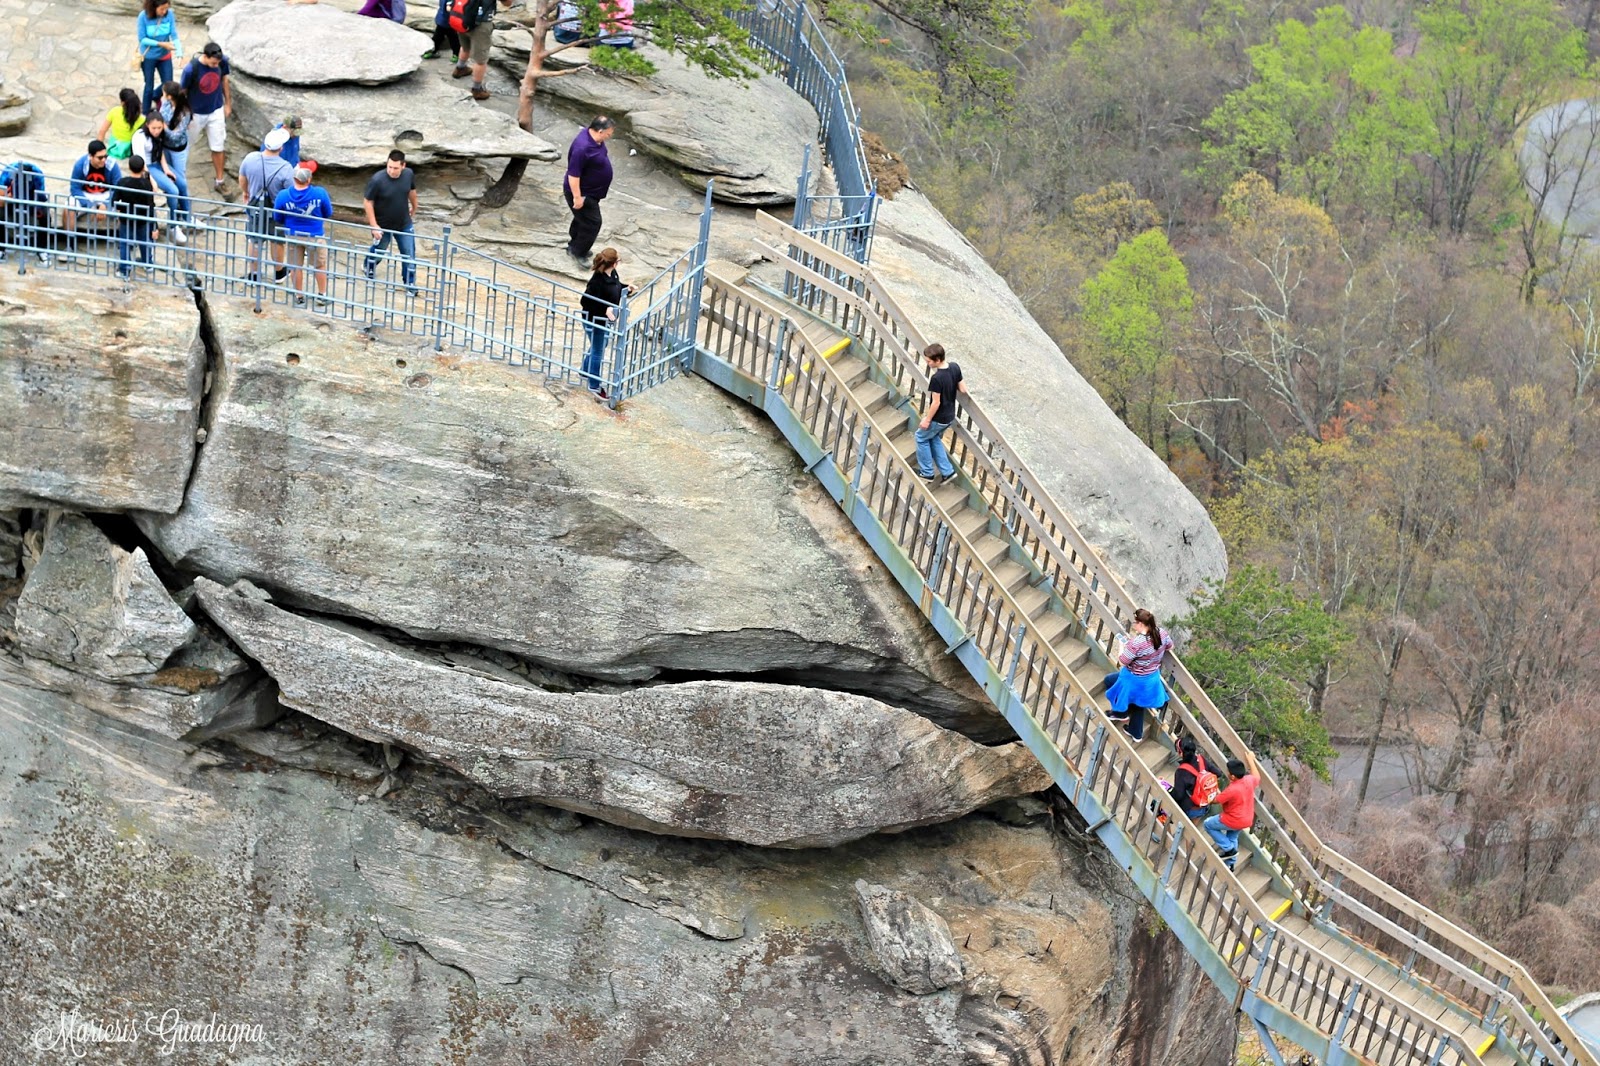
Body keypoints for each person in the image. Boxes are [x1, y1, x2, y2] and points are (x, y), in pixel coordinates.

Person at [1103, 607, 1172, 742]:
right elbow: (1170, 646)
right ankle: (1136, 732)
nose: (1134, 625)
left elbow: (1123, 661)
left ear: (1141, 624)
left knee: (1109, 681)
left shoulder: (1137, 643)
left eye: (1135, 623)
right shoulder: (1162, 633)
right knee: (1138, 703)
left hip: (1134, 679)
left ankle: (1120, 712)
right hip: (1151, 678)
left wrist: (1122, 645)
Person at [238, 128, 295, 283]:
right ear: (281, 148)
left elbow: (242, 179)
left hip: (255, 206)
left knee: (254, 240)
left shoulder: (250, 159)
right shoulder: (286, 168)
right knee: (277, 240)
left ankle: (254, 274)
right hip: (276, 210)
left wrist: (246, 192)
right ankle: (279, 272)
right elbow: (290, 193)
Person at [578, 246, 635, 401]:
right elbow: (585, 301)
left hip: (602, 320)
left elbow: (615, 287)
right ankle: (594, 385)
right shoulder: (597, 281)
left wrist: (626, 289)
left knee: (600, 346)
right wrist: (606, 310)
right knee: (598, 350)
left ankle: (585, 370)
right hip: (594, 320)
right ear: (614, 263)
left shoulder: (612, 274)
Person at [274, 167, 333, 308]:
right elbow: (328, 212)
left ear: (294, 179)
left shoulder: (283, 195)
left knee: (295, 266)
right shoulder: (320, 193)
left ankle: (299, 296)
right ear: (309, 180)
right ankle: (322, 295)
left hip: (293, 235)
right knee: (319, 265)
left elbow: (277, 217)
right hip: (315, 235)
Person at [362, 149, 418, 293]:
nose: (392, 171)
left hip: (403, 223)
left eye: (395, 168)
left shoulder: (408, 174)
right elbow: (368, 202)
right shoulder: (377, 180)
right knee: (380, 249)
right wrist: (374, 225)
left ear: (403, 166)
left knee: (409, 253)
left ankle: (410, 283)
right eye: (389, 167)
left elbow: (412, 191)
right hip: (383, 225)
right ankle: (368, 265)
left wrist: (415, 207)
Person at [180, 42, 232, 192]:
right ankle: (179, 177)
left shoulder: (222, 62)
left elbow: (224, 81)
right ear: (205, 56)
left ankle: (219, 180)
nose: (216, 65)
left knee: (218, 146)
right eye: (213, 63)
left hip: (215, 110)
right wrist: (184, 114)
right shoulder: (191, 70)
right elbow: (182, 92)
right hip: (195, 113)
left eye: (218, 63)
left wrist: (227, 103)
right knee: (185, 145)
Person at [564, 116, 614, 262]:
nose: (609, 137)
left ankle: (573, 245)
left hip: (591, 191)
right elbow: (573, 175)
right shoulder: (582, 148)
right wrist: (577, 197)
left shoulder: (594, 139)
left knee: (582, 218)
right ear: (599, 131)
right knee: (592, 223)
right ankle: (578, 252)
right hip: (583, 193)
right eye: (608, 134)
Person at [915, 342, 966, 484]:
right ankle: (947, 472)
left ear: (937, 360)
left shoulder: (937, 379)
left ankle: (927, 473)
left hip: (938, 417)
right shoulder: (955, 367)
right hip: (949, 415)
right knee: (934, 438)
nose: (928, 363)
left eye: (929, 361)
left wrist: (927, 419)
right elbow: (963, 390)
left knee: (920, 437)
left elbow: (936, 402)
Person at [1204, 753, 1261, 870]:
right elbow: (1256, 775)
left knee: (1208, 824)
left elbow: (1215, 800)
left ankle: (1229, 849)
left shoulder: (1232, 789)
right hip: (1246, 819)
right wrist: (1251, 760)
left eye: (1229, 772)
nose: (1227, 772)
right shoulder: (1249, 780)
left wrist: (1208, 793)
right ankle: (1231, 863)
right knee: (1232, 836)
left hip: (1233, 819)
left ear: (1233, 776)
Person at [130, 111, 179, 243]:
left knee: (182, 183)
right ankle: (173, 225)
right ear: (147, 125)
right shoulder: (140, 137)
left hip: (157, 163)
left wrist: (166, 169)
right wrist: (151, 179)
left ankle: (185, 215)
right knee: (173, 190)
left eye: (159, 128)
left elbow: (160, 150)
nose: (157, 131)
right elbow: (141, 161)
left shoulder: (160, 134)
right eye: (154, 128)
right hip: (148, 166)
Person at [65, 140, 123, 249]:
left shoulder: (112, 165)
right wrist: (89, 205)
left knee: (123, 207)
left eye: (105, 156)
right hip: (85, 194)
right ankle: (70, 243)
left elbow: (117, 188)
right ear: (91, 156)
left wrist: (106, 204)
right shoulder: (80, 164)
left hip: (106, 194)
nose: (104, 160)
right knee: (68, 208)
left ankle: (123, 241)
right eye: (100, 158)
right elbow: (75, 188)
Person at [111, 155, 157, 278]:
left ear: (129, 167)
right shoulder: (146, 185)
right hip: (143, 218)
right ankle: (148, 263)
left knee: (125, 243)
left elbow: (114, 200)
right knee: (144, 241)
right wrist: (154, 226)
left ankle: (124, 270)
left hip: (126, 217)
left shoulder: (122, 182)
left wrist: (119, 210)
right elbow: (151, 204)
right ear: (143, 168)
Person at [157, 80, 192, 237]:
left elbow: (177, 134)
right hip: (165, 147)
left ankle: (185, 214)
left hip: (178, 149)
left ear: (170, 95)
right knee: (170, 178)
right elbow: (160, 116)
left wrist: (163, 127)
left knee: (180, 179)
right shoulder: (165, 104)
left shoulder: (184, 112)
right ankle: (176, 210)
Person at [0, 161, 51, 264]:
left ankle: (42, 250)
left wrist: (37, 208)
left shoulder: (37, 175)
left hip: (31, 200)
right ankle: (1, 249)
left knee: (45, 215)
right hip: (11, 199)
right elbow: (0, 200)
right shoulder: (7, 174)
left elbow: (41, 197)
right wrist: (7, 198)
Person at [135, 0, 181, 112]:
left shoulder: (169, 14)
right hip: (148, 57)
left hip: (164, 56)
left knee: (168, 83)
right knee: (148, 86)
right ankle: (145, 113)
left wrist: (179, 52)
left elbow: (174, 34)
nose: (164, 11)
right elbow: (142, 39)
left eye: (166, 8)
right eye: (162, 9)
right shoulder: (143, 16)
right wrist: (161, 44)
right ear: (153, 7)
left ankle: (157, 97)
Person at [450, 0, 497, 101]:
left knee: (465, 46)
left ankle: (460, 68)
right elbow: (507, 3)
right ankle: (477, 90)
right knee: (481, 59)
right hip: (481, 23)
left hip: (462, 17)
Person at [1171, 737, 1219, 823]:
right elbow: (1218, 773)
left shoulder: (1181, 772)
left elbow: (1178, 795)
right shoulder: (1201, 759)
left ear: (1180, 753)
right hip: (1206, 804)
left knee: (1159, 804)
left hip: (1192, 810)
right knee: (1194, 823)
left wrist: (1168, 792)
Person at [97, 89, 146, 161]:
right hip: (129, 149)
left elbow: (102, 131)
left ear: (123, 103)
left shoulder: (115, 111)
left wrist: (99, 150)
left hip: (114, 147)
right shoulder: (142, 119)